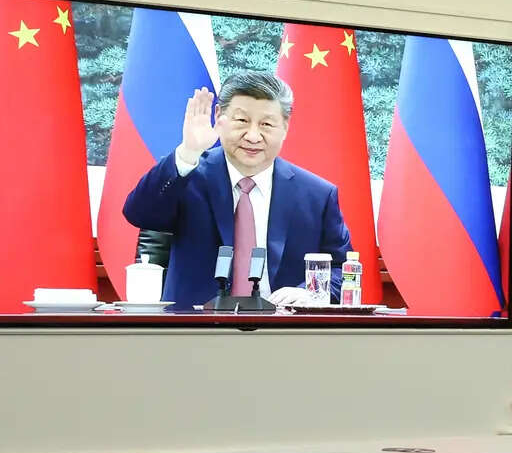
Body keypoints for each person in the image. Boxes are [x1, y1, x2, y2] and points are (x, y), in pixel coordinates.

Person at [122, 73, 350, 307]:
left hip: (282, 332)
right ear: (219, 116)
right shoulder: (188, 175)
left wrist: (310, 292)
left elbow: (343, 271)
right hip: (195, 332)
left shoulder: (317, 195)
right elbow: (139, 213)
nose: (252, 136)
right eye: (242, 121)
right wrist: (188, 152)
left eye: (266, 124)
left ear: (285, 127)